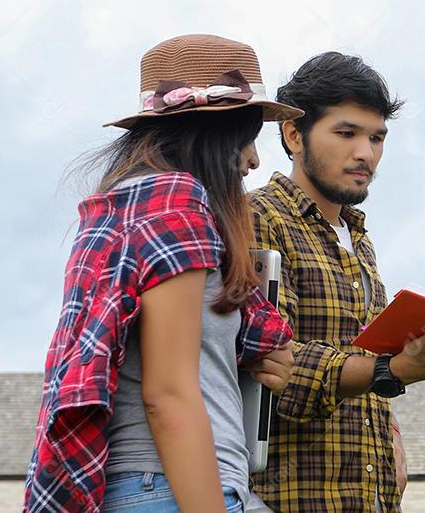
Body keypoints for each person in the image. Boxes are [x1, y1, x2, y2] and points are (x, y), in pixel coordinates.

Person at [25, 34, 296, 512]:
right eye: (247, 137)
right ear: (216, 134)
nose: (254, 160)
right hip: (171, 488)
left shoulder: (121, 209)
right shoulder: (175, 205)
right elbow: (167, 396)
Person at [249, 52, 425, 511]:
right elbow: (275, 366)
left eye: (376, 137)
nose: (365, 153)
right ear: (293, 134)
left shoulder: (360, 241)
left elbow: (369, 355)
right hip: (292, 499)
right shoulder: (257, 218)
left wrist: (392, 431)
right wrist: (397, 371)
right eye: (346, 133)